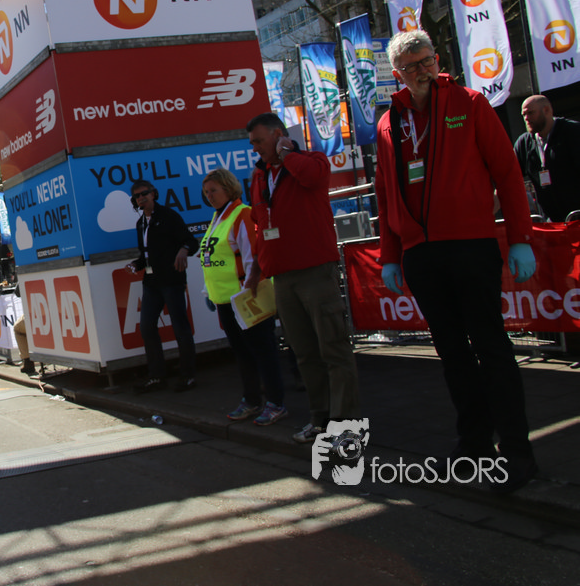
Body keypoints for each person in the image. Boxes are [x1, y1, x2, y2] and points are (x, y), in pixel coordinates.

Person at [375, 30, 538, 493]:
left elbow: (507, 171)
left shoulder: (470, 102)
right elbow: (386, 193)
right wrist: (391, 256)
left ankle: (517, 451)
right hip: (420, 254)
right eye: (411, 66)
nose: (422, 71)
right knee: (451, 353)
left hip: (470, 244)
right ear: (398, 73)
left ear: (437, 59)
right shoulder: (389, 122)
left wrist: (520, 238)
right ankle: (474, 444)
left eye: (427, 61)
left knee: (491, 346)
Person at [246, 112, 361, 444]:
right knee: (305, 354)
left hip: (315, 271)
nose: (255, 148)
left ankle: (345, 428)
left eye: (259, 141)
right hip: (282, 278)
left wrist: (287, 153)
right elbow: (260, 224)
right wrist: (257, 270)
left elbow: (311, 178)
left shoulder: (311, 160)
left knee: (333, 349)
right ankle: (320, 420)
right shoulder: (259, 175)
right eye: (252, 143)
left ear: (278, 135)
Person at [198, 169, 287, 426]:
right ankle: (251, 400)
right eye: (206, 192)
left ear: (228, 188)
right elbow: (211, 259)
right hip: (225, 300)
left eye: (214, 190)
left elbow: (251, 256)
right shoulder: (217, 217)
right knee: (242, 353)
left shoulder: (241, 214)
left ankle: (275, 403)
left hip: (246, 298)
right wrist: (207, 292)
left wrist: (249, 288)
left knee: (263, 351)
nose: (209, 196)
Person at [127, 179, 201, 394]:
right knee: (147, 327)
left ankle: (188, 375)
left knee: (180, 327)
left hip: (171, 280)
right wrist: (135, 265)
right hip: (151, 282)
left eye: (144, 193)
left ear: (154, 194)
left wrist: (183, 250)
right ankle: (157, 376)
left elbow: (191, 241)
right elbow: (146, 255)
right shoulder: (141, 223)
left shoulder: (169, 216)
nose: (141, 198)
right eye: (137, 196)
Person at [514, 94, 580, 222]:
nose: (526, 118)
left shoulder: (573, 132)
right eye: (524, 115)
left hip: (576, 215)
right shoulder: (524, 143)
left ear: (547, 110)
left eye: (531, 113)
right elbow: (507, 177)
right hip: (551, 222)